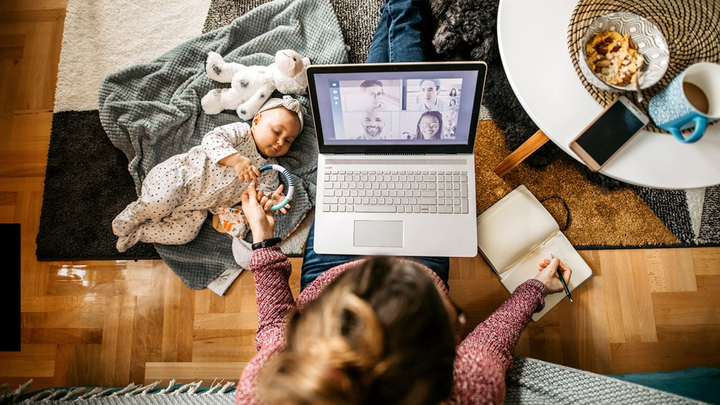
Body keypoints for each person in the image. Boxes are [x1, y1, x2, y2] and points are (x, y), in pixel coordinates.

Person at [236, 184, 573, 405]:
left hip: (328, 264)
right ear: (444, 361)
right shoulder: (471, 392)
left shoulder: (271, 387)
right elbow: (490, 344)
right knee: (424, 183)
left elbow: (273, 327)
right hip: (419, 258)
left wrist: (263, 240)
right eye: (454, 316)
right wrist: (535, 287)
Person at [111, 96, 303, 252]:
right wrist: (235, 159)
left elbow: (260, 194)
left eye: (288, 141)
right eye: (277, 131)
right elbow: (211, 139)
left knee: (185, 233)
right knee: (159, 201)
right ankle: (134, 215)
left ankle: (140, 233)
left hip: (196, 208)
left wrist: (270, 198)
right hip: (181, 178)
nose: (280, 142)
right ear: (257, 120)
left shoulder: (270, 170)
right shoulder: (242, 133)